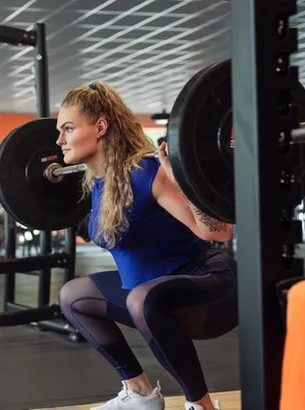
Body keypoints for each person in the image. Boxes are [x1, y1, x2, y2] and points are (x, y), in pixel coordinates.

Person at [56, 81, 237, 410]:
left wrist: (183, 180)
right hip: (149, 295)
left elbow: (219, 231)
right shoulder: (99, 183)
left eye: (68, 129)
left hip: (209, 290)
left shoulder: (148, 173)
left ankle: (201, 406)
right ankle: (139, 394)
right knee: (73, 295)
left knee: (141, 298)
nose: (59, 140)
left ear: (100, 127)